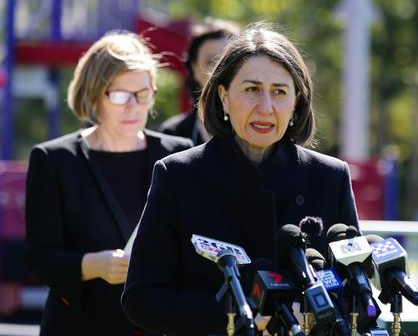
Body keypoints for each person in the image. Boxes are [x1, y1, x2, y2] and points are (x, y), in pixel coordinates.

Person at [121, 23, 360, 336]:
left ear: (297, 102)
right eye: (251, 90)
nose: (266, 107)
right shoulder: (178, 175)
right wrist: (240, 314)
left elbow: (352, 288)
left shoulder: (330, 177)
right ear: (223, 96)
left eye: (279, 92)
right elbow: (142, 299)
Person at [24, 31, 193, 336]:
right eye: (119, 95)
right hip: (82, 326)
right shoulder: (54, 159)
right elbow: (39, 257)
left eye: (143, 93)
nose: (134, 106)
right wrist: (94, 265)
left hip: (159, 325)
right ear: (94, 95)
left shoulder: (178, 153)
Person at [159, 19, 241, 145]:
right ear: (193, 69)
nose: (219, 71)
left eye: (228, 62)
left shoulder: (256, 128)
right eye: (210, 62)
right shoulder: (173, 133)